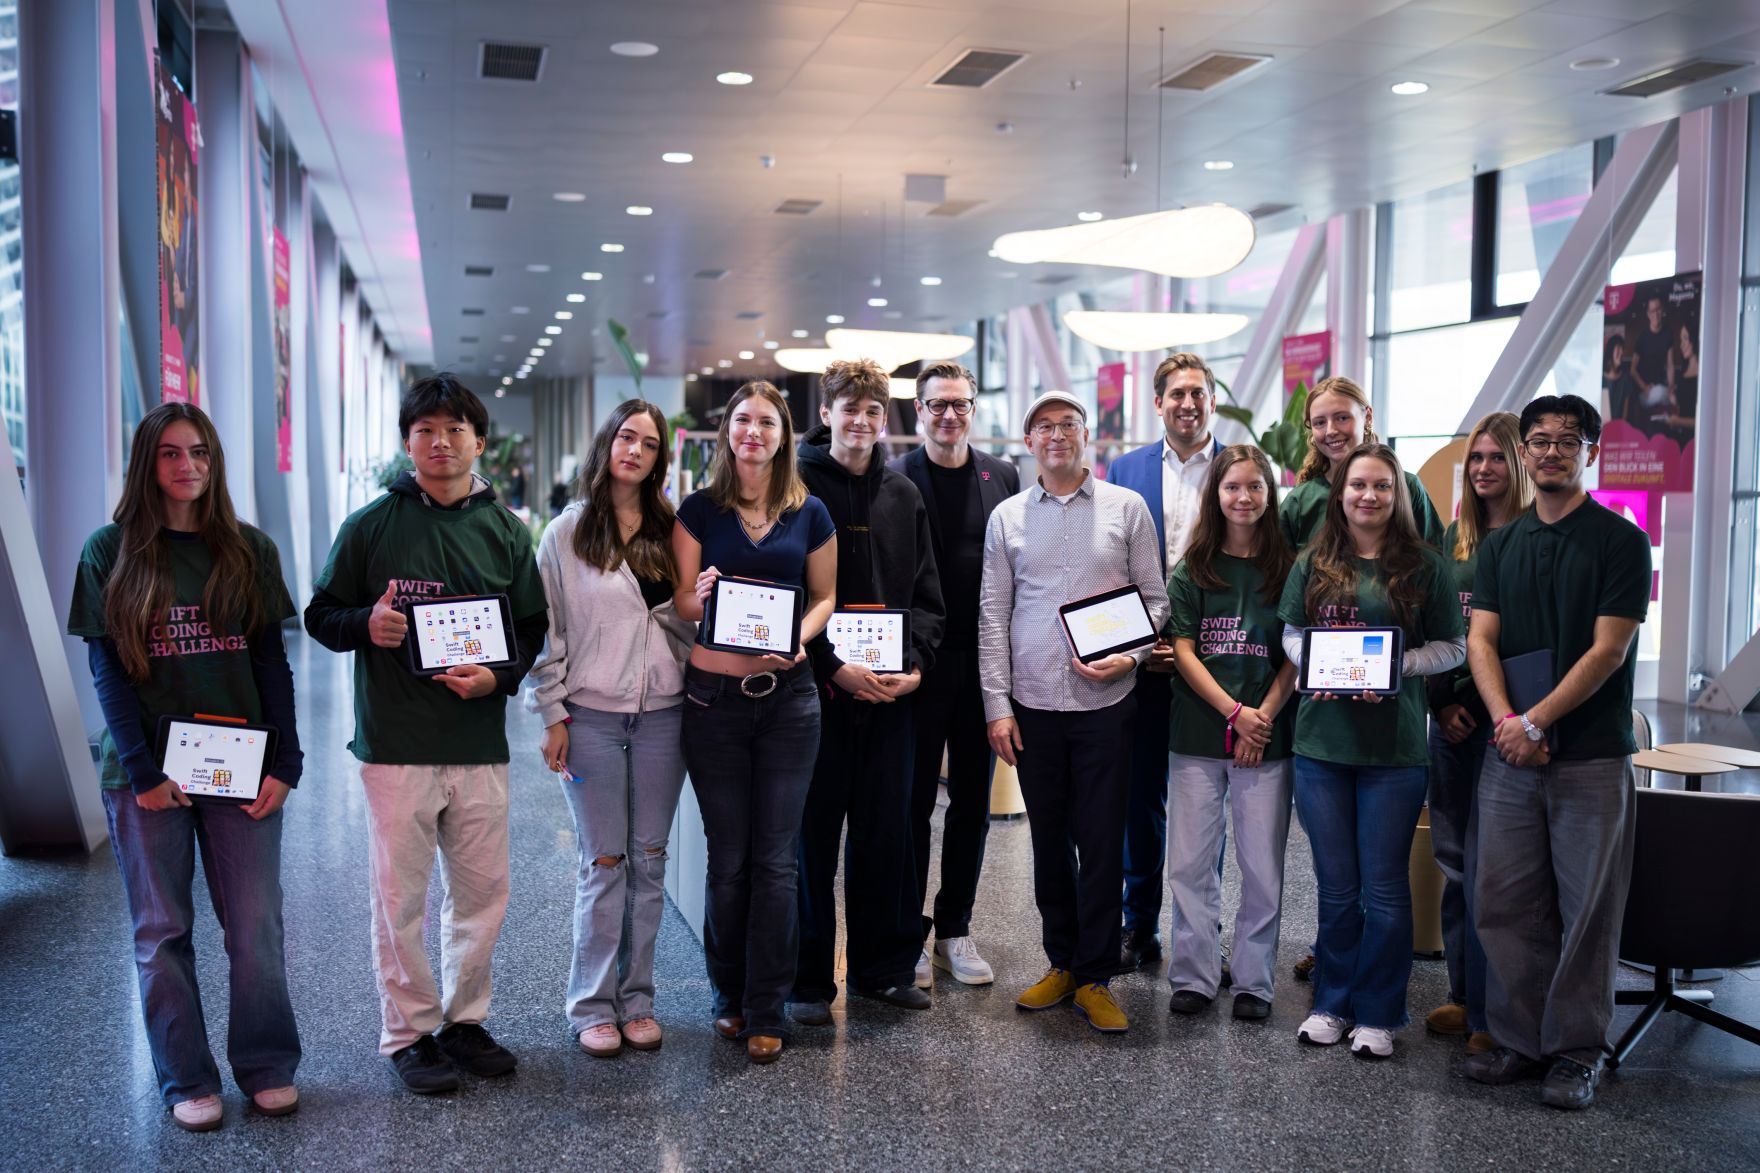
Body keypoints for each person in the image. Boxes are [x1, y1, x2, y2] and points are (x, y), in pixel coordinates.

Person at [305, 373, 549, 1094]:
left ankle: (464, 1020)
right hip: (396, 744)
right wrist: (365, 625)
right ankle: (409, 1030)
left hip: (477, 743)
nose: (440, 443)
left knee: (481, 893)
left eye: (454, 430)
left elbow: (530, 628)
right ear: (408, 441)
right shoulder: (371, 526)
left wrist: (497, 677)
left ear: (478, 440)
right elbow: (321, 614)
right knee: (399, 897)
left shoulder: (505, 530)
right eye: (425, 431)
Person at [67, 402, 303, 1130]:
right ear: (148, 463)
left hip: (239, 767)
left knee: (255, 924)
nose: (187, 466)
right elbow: (105, 671)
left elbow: (272, 661)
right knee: (161, 929)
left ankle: (265, 1064)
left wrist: (286, 761)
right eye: (170, 453)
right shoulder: (110, 551)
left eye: (199, 452)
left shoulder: (249, 549)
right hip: (148, 776)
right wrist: (140, 771)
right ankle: (185, 1078)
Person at [1463, 394, 1650, 1111]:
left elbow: (1609, 650)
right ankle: (1520, 1037)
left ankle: (1577, 1048)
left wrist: (1536, 721)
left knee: (1588, 908)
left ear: (1590, 453)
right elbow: (1482, 639)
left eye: (1566, 441)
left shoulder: (1619, 541)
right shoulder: (1503, 544)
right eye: (1538, 440)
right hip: (1511, 754)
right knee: (1505, 901)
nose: (1549, 452)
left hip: (1590, 758)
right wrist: (1507, 720)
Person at [981, 391, 1169, 1033]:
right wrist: (996, 705)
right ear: (1028, 441)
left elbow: (1156, 599)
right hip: (1033, 706)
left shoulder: (1127, 508)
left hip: (1105, 704)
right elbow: (992, 616)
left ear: (1086, 436)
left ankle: (1096, 975)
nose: (1056, 434)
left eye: (1068, 424)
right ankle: (1061, 961)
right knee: (1048, 841)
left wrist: (1132, 655)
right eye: (1044, 426)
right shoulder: (1007, 517)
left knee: (1101, 838)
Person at [1276, 443, 1464, 1060]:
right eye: (1358, 485)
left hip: (1395, 751)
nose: (1368, 496)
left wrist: (1391, 669)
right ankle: (1332, 1003)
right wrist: (1331, 668)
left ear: (1398, 494)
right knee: (1334, 888)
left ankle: (1379, 1013)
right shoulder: (1313, 560)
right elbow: (1292, 637)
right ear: (1341, 493)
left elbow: (1453, 647)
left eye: (1382, 486)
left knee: (1384, 889)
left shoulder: (1426, 566)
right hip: (1322, 745)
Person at [671, 380, 837, 1065]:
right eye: (743, 419)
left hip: (789, 702)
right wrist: (698, 594)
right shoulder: (698, 510)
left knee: (776, 860)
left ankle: (768, 1003)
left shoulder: (811, 511)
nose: (753, 431)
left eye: (767, 421)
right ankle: (728, 995)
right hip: (714, 701)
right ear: (727, 430)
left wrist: (800, 636)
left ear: (783, 434)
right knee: (729, 859)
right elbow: (682, 603)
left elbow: (826, 596)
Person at [525, 400, 694, 1058]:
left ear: (659, 460)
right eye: (628, 437)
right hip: (590, 717)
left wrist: (697, 604)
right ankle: (592, 1002)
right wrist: (553, 713)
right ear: (608, 443)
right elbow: (549, 631)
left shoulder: (671, 529)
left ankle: (639, 998)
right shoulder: (566, 533)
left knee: (648, 861)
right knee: (603, 861)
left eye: (650, 445)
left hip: (663, 717)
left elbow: (684, 623)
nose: (636, 451)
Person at [791, 359, 946, 1024]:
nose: (860, 421)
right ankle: (805, 981)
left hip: (891, 700)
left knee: (888, 835)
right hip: (813, 696)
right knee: (811, 840)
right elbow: (791, 595)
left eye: (872, 411)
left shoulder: (904, 495)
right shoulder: (795, 488)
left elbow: (927, 598)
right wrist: (831, 667)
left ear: (887, 419)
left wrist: (914, 667)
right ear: (826, 413)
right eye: (848, 408)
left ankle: (882, 970)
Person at [891, 361, 1019, 988]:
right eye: (937, 405)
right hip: (918, 666)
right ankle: (910, 931)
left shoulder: (1003, 477)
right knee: (912, 802)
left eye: (960, 404)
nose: (949, 415)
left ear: (973, 409)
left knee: (973, 802)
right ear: (918, 411)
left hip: (981, 663)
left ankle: (955, 928)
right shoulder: (895, 479)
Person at [1164, 445, 1297, 1022]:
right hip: (1198, 734)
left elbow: (1295, 653)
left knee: (1262, 866)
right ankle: (1193, 974)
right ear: (1215, 495)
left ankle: (1253, 982)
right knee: (1191, 864)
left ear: (1269, 496)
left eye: (1255, 487)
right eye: (1232, 487)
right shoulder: (1193, 568)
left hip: (1267, 738)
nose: (1243, 498)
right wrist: (1232, 713)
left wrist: (1258, 719)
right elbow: (1184, 652)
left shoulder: (1291, 568)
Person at [1105, 352, 1227, 972]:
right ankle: (1139, 925)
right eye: (1175, 393)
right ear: (1158, 403)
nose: (1187, 403)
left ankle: (1204, 933)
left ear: (1211, 401)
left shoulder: (1239, 469)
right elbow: (1110, 565)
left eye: (1197, 393)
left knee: (1209, 801)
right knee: (1140, 799)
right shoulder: (1124, 470)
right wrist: (1132, 641)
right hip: (1140, 665)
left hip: (1216, 664)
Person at [1423, 412, 1532, 1055]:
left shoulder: (1532, 539)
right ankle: (1465, 999)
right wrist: (1440, 702)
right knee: (1457, 863)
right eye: (1478, 459)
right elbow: (1429, 624)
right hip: (1452, 724)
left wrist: (1502, 713)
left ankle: (1499, 1014)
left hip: (1510, 727)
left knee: (1502, 872)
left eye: (1497, 457)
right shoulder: (1451, 540)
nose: (1486, 468)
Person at [1280, 376, 1445, 551]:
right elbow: (1280, 572)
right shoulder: (1299, 503)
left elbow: (1435, 560)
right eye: (1320, 423)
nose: (1331, 431)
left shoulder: (1406, 487)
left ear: (1367, 417)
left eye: (1342, 418)